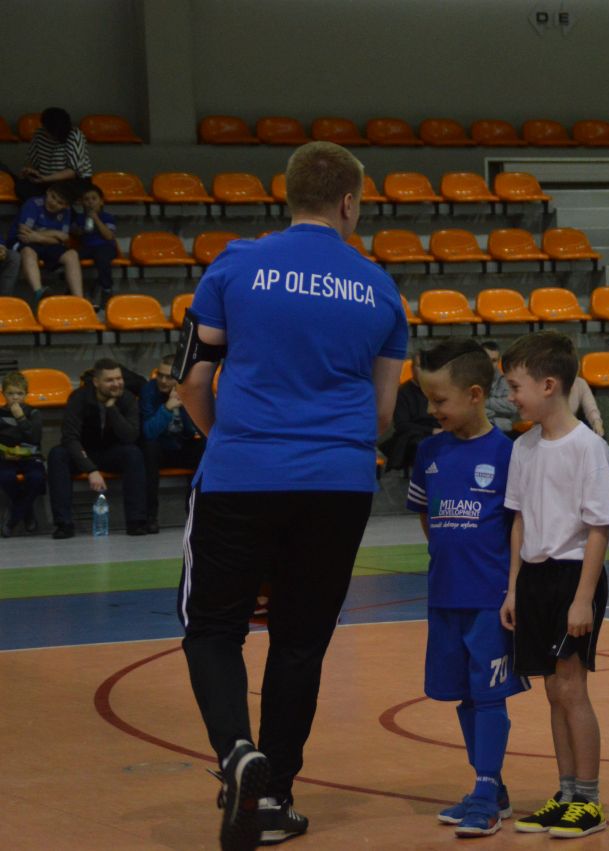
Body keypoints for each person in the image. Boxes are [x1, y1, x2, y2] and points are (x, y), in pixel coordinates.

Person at [175, 141, 407, 851]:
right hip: (338, 482)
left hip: (243, 471)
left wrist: (226, 438)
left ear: (288, 194)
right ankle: (273, 795)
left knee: (212, 628)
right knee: (300, 641)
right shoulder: (379, 288)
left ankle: (236, 752)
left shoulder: (234, 266)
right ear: (349, 202)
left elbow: (192, 380)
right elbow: (383, 415)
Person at [500, 330, 609, 839]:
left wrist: (582, 599)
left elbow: (600, 528)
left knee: (571, 688)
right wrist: (514, 588)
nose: (510, 397)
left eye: (515, 386)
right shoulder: (523, 447)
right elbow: (519, 521)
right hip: (535, 578)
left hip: (574, 577)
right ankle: (567, 792)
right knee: (553, 690)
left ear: (548, 385)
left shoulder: (587, 447)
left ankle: (588, 800)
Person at [407, 338, 529, 837]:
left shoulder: (509, 454)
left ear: (476, 394)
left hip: (489, 599)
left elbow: (519, 527)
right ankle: (491, 787)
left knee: (489, 695)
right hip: (444, 596)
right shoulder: (429, 452)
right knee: (463, 695)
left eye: (440, 400)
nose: (432, 410)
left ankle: (484, 793)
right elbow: (426, 516)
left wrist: (512, 588)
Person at [46, 358, 146, 538]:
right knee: (57, 454)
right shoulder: (79, 398)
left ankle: (136, 521)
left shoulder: (128, 398)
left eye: (119, 378)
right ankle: (63, 524)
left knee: (134, 454)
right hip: (84, 452)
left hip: (112, 452)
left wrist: (112, 409)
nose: (116, 384)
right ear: (96, 382)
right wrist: (90, 469)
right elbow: (70, 438)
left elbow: (131, 436)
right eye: (110, 380)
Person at [139, 354, 204, 533]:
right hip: (159, 449)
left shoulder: (190, 390)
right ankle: (150, 517)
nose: (162, 381)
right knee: (149, 448)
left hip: (181, 446)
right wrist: (167, 408)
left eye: (168, 377)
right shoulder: (149, 391)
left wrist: (186, 404)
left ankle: (196, 514)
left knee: (205, 448)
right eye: (160, 375)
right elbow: (149, 432)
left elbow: (195, 430)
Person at [7, 181, 83, 300]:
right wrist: (54, 233)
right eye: (53, 197)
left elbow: (63, 238)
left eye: (60, 203)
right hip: (23, 242)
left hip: (45, 242)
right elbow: (24, 233)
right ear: (48, 191)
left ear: (66, 206)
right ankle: (39, 292)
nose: (53, 203)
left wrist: (38, 237)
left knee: (72, 254)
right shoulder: (33, 203)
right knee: (28, 251)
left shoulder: (66, 211)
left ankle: (79, 299)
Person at [0, 371, 45, 536]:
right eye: (10, 393)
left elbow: (35, 437)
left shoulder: (33, 413)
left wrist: (20, 418)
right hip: (6, 458)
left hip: (31, 457)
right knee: (5, 477)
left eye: (19, 393)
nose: (15, 397)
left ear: (26, 394)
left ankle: (13, 518)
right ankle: (26, 511)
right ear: (3, 394)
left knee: (36, 477)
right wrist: (3, 455)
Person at [378, 351, 439, 473]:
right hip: (414, 434)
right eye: (420, 366)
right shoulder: (403, 393)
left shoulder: (437, 389)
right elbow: (402, 425)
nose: (424, 370)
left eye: (426, 366)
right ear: (412, 368)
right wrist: (432, 431)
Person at [16, 107, 93, 202]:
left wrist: (47, 179)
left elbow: (73, 172)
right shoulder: (39, 135)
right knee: (21, 186)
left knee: (62, 192)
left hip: (71, 180)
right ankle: (44, 202)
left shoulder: (74, 135)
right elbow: (32, 160)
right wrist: (29, 170)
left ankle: (50, 202)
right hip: (45, 178)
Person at [74, 182, 118, 308]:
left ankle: (106, 289)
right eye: (86, 199)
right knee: (72, 257)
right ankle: (74, 289)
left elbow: (109, 236)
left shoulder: (107, 217)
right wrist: (80, 230)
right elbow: (75, 232)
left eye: (94, 199)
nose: (90, 202)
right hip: (87, 247)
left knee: (102, 258)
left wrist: (96, 219)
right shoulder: (80, 218)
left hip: (105, 246)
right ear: (82, 203)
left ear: (101, 202)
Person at [482, 341, 518, 434]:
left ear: (498, 361)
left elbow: (512, 407)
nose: (490, 364)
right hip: (477, 430)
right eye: (487, 359)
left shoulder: (505, 380)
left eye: (494, 360)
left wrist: (483, 402)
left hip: (502, 430)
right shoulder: (469, 379)